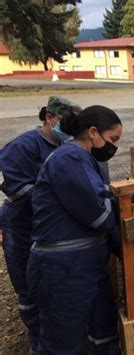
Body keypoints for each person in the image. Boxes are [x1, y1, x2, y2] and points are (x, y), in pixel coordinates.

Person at [27, 105, 122, 354]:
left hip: (82, 267)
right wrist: (129, 203)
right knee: (60, 344)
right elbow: (101, 215)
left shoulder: (83, 159)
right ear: (93, 132)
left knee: (103, 332)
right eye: (113, 139)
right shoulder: (69, 159)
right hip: (63, 271)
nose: (114, 146)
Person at [0, 96, 80, 353]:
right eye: (64, 123)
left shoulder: (69, 147)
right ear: (49, 117)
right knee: (28, 290)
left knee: (53, 289)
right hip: (22, 230)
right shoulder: (23, 147)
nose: (68, 130)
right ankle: (38, 344)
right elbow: (18, 192)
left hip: (51, 230)